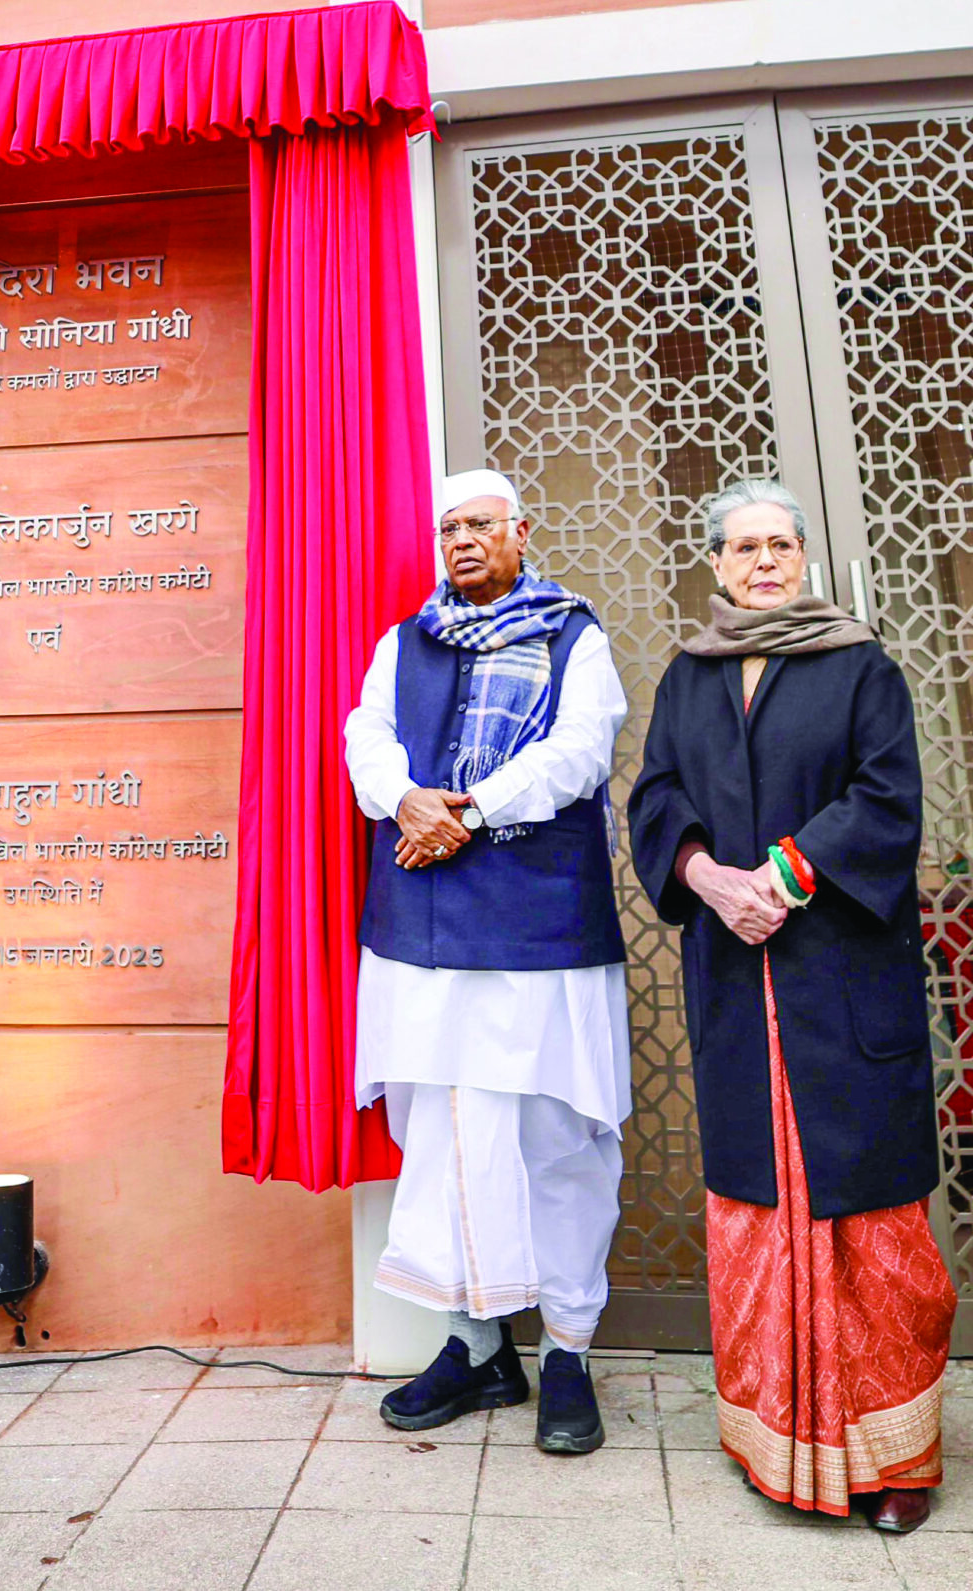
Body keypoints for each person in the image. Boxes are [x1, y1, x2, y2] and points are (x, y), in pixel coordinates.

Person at [628, 478, 954, 1532]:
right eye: (743, 547)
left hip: (840, 980)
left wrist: (784, 873)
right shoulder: (688, 675)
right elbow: (658, 794)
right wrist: (708, 876)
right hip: (737, 984)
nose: (762, 561)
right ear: (715, 564)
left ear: (804, 557)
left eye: (779, 544)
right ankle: (773, 1439)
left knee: (870, 1219)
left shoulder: (860, 665)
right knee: (757, 1213)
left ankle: (898, 1463)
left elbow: (886, 797)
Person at [344, 469, 630, 1454]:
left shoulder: (570, 633)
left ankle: (565, 1354)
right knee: (442, 1130)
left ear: (520, 530)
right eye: (448, 527)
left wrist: (467, 811)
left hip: (540, 924)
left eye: (480, 524)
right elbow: (366, 735)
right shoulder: (406, 641)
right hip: (423, 922)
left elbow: (580, 749)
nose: (461, 540)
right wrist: (407, 799)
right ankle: (475, 1348)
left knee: (555, 1135)